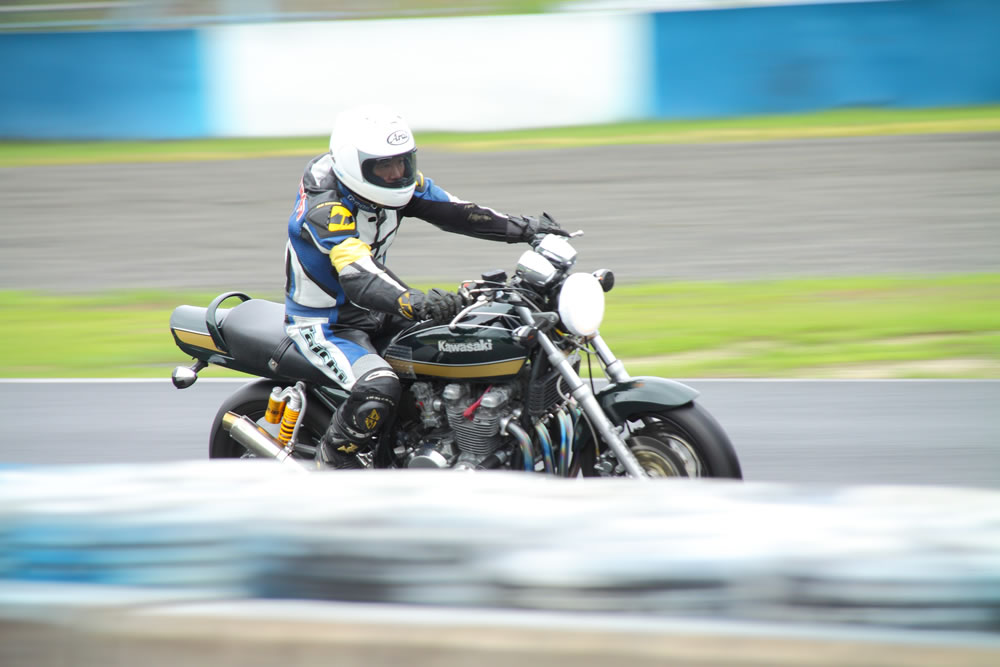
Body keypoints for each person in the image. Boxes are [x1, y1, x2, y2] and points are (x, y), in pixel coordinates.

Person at [284, 104, 567, 467]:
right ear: (355, 166)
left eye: (403, 162)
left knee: (453, 342)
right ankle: (331, 462)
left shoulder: (392, 185)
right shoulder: (326, 209)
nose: (397, 173)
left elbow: (460, 212)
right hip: (326, 322)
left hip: (377, 308)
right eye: (384, 166)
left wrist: (528, 229)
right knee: (379, 387)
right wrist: (412, 301)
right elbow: (357, 274)